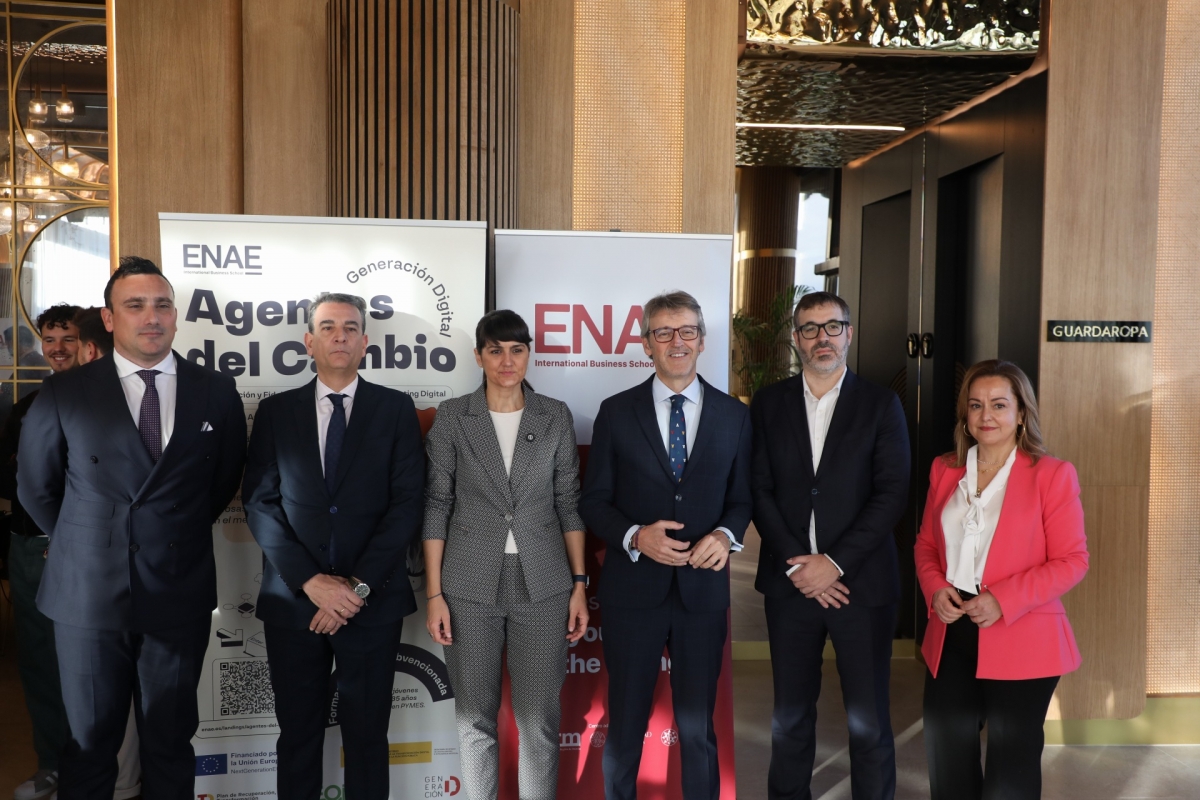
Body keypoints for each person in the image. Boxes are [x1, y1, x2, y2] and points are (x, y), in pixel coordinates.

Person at [17, 256, 247, 800]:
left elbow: (220, 482)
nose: (151, 317)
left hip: (177, 589)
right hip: (87, 595)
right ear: (110, 317)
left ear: (175, 315)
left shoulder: (216, 390)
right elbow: (36, 488)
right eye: (136, 305)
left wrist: (164, 531)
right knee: (89, 744)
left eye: (162, 305)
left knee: (170, 740)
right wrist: (90, 541)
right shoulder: (66, 392)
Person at [243, 292, 425, 800]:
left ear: (365, 342)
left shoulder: (395, 409)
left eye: (350, 328)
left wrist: (355, 589)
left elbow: (407, 505)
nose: (339, 336)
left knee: (367, 738)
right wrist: (312, 582)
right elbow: (260, 503)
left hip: (372, 603)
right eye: (328, 327)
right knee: (297, 736)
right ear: (309, 342)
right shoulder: (276, 412)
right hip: (294, 604)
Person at [580, 290, 752, 800]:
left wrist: (725, 535)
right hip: (633, 593)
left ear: (702, 340)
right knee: (626, 723)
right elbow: (594, 502)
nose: (677, 341)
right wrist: (636, 536)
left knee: (698, 729)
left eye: (687, 331)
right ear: (646, 343)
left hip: (702, 595)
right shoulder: (615, 412)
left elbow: (743, 499)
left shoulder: (735, 416)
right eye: (664, 332)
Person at [750, 290, 910, 800]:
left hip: (861, 587)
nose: (823, 337)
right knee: (790, 717)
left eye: (833, 326)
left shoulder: (881, 404)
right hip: (790, 586)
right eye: (810, 328)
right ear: (796, 339)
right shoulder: (769, 403)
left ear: (849, 333)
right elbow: (758, 490)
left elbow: (892, 494)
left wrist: (834, 563)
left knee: (868, 720)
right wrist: (801, 568)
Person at [423, 310, 589, 800]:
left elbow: (568, 504)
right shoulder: (454, 416)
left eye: (517, 349)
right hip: (467, 584)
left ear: (528, 354)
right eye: (495, 350)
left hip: (544, 583)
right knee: (474, 719)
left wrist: (579, 585)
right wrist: (434, 594)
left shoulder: (554, 415)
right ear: (479, 357)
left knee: (538, 721)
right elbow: (437, 505)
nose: (507, 360)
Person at [915, 359, 1088, 800]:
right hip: (952, 630)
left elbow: (1072, 560)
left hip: (1022, 632)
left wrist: (1003, 599)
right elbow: (926, 545)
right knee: (947, 757)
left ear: (1021, 413)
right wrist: (935, 588)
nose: (985, 416)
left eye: (998, 404)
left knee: (1011, 771)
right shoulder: (945, 469)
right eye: (976, 405)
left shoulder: (1052, 474)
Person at [0, 303, 80, 800]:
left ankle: (98, 770)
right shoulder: (27, 407)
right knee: (38, 662)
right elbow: (10, 478)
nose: (58, 349)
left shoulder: (107, 403)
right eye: (49, 340)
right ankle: (51, 763)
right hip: (29, 545)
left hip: (82, 551)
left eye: (68, 338)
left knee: (90, 665)